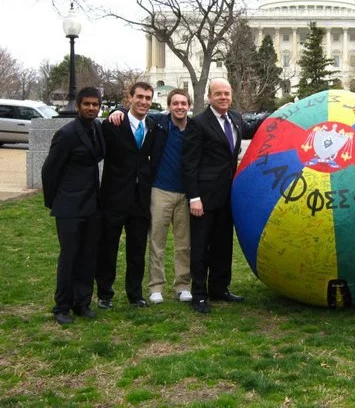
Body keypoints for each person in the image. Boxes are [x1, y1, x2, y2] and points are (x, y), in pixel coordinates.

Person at [182, 77, 267, 313]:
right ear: (210, 97)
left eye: (227, 93)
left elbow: (255, 127)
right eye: (218, 94)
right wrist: (194, 197)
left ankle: (219, 288)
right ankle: (199, 294)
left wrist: (281, 113)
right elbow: (189, 164)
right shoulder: (198, 123)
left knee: (222, 245)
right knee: (201, 248)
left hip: (228, 195)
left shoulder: (236, 118)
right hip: (204, 198)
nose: (223, 97)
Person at [108, 89, 193, 304]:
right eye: (175, 103)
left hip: (186, 193)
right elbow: (135, 112)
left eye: (184, 103)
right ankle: (156, 286)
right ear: (169, 106)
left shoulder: (195, 128)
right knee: (157, 241)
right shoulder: (159, 124)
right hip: (160, 190)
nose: (180, 107)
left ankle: (183, 285)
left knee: (184, 243)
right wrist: (117, 110)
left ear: (189, 106)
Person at [42, 87, 105, 325]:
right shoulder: (66, 134)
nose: (91, 108)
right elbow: (49, 171)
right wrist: (55, 202)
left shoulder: (97, 128)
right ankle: (62, 306)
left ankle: (82, 302)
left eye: (95, 104)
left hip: (92, 204)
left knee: (88, 256)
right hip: (69, 206)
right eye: (87, 104)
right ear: (78, 106)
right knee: (69, 256)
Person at [95, 81, 156, 309]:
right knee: (108, 248)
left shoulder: (153, 125)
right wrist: (115, 112)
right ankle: (104, 294)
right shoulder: (113, 124)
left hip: (141, 199)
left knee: (137, 250)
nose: (143, 102)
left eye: (148, 98)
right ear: (129, 98)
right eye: (139, 97)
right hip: (114, 196)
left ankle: (135, 294)